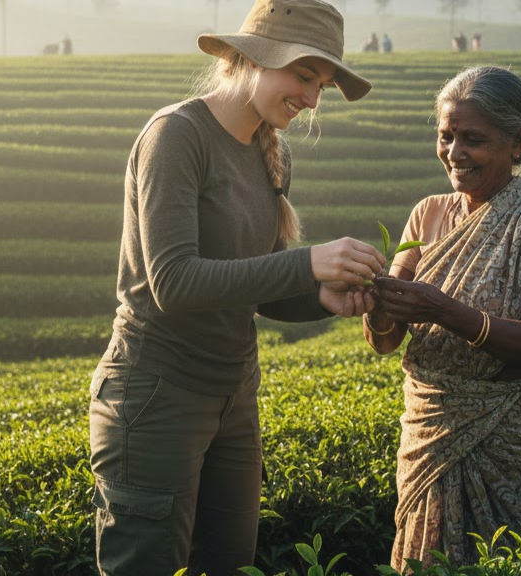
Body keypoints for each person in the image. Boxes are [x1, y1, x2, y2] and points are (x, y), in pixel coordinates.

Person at [86, 1, 385, 575]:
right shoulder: (176, 136)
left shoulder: (271, 151)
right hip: (157, 396)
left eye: (320, 84)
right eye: (304, 76)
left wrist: (322, 298)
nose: (312, 100)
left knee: (230, 565)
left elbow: (256, 286)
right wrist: (309, 264)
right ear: (253, 57)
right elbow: (173, 282)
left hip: (233, 394)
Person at [364, 66, 521, 570]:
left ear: (518, 141)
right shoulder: (427, 214)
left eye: (473, 139)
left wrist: (442, 310)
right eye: (445, 137)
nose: (454, 153)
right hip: (433, 433)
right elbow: (386, 342)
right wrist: (377, 301)